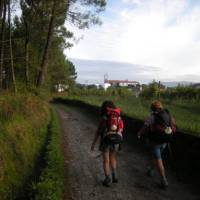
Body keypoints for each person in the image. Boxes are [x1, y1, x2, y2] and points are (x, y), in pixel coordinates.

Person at [137, 100, 176, 189]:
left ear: (152, 108)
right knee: (156, 157)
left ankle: (164, 181)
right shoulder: (168, 114)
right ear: (160, 107)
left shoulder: (152, 117)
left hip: (155, 142)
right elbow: (173, 124)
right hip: (165, 141)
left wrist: (139, 133)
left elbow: (145, 127)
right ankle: (151, 170)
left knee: (159, 160)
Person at [91, 100, 124, 187]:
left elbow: (98, 132)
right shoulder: (118, 117)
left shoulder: (104, 118)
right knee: (113, 158)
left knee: (106, 160)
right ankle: (114, 175)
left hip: (106, 141)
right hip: (116, 140)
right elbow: (121, 128)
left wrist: (93, 144)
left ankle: (107, 179)